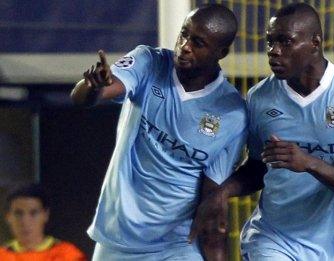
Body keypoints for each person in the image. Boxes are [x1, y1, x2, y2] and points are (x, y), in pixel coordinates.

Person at [189, 3, 334, 260]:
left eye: (285, 42)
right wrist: (223, 192)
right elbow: (259, 168)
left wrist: (308, 163)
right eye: (270, 42)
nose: (274, 52)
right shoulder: (260, 98)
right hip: (272, 239)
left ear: (315, 43)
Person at [70, 3, 245, 261]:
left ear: (221, 52)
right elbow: (93, 94)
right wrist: (93, 87)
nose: (184, 45)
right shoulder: (149, 62)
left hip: (178, 244)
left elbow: (211, 201)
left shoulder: (232, 114)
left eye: (197, 42)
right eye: (184, 34)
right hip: (118, 238)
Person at [0, 183, 86, 261]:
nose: (25, 221)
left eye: (33, 213)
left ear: (45, 215)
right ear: (8, 217)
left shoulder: (68, 255)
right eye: (18, 213)